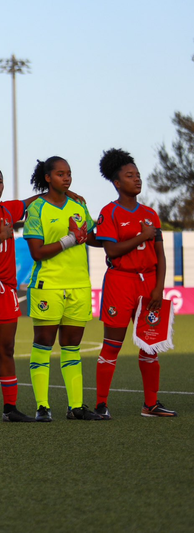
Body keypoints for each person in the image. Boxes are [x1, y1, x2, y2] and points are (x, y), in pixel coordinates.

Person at [0, 165, 82, 424]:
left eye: (0, 181)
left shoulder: (8, 210)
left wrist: (67, 194)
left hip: (6, 290)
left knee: (7, 348)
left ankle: (10, 409)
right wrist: (1, 237)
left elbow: (35, 199)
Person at [94, 148, 177, 418]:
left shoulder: (151, 214)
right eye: (130, 176)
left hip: (149, 283)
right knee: (111, 346)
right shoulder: (110, 212)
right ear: (117, 183)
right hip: (121, 282)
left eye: (138, 175)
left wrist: (159, 287)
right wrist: (142, 237)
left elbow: (161, 255)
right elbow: (112, 251)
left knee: (150, 346)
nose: (137, 179)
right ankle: (101, 404)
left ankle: (150, 404)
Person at [24, 156, 101, 421]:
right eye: (60, 174)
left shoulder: (78, 205)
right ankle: (42, 406)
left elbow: (92, 237)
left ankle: (76, 407)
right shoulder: (37, 209)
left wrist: (110, 228)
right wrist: (70, 239)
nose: (66, 178)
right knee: (43, 344)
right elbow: (36, 253)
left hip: (79, 284)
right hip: (49, 285)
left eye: (68, 173)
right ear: (47, 178)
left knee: (72, 346)